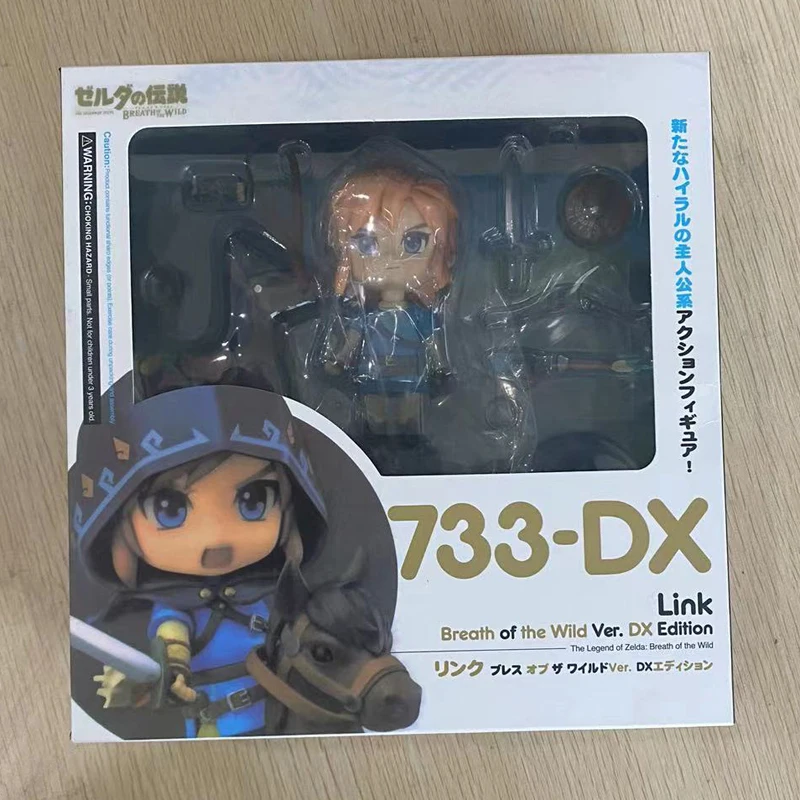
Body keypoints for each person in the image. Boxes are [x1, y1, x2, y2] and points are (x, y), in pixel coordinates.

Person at [71, 382, 327, 737]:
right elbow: (172, 641)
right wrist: (170, 672)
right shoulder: (174, 611)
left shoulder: (277, 596)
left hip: (290, 720)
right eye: (169, 509)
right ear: (119, 530)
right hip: (218, 730)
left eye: (255, 500)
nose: (217, 537)